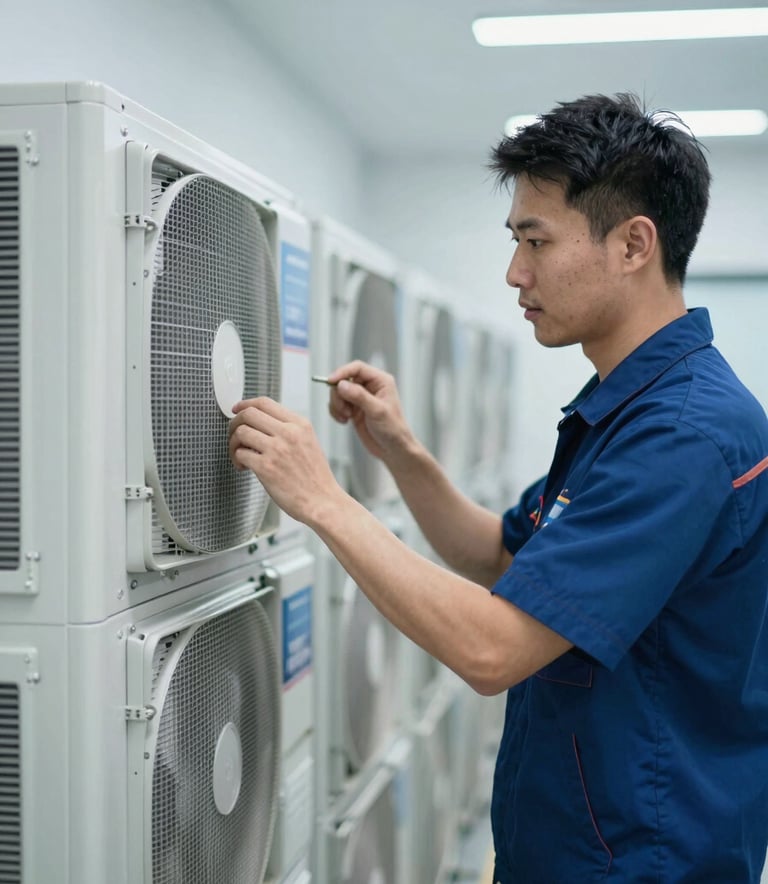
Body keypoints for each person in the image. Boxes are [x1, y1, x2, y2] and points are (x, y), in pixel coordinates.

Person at [228, 93, 768, 882]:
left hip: (639, 861)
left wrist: (321, 500)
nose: (515, 273)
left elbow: (492, 649)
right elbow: (496, 554)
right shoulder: (629, 409)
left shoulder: (680, 435)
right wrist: (402, 450)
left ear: (633, 244)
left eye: (535, 241)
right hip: (582, 844)